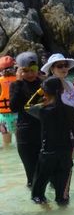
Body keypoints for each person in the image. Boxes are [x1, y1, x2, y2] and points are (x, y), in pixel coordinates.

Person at [27, 77, 74, 205]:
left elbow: (27, 106)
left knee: (38, 195)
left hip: (47, 156)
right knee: (62, 197)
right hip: (65, 155)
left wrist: (39, 92)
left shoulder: (42, 110)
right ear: (63, 90)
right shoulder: (71, 110)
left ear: (45, 92)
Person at [9, 52, 42, 187]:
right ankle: (38, 205)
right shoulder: (16, 85)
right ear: (19, 70)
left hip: (43, 132)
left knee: (48, 174)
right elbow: (14, 107)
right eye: (25, 71)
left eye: (33, 70)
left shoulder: (43, 84)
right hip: (25, 135)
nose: (30, 74)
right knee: (32, 176)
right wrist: (17, 82)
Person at [0, 56, 17, 146]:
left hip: (3, 117)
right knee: (21, 143)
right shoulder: (18, 79)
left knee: (7, 144)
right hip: (17, 115)